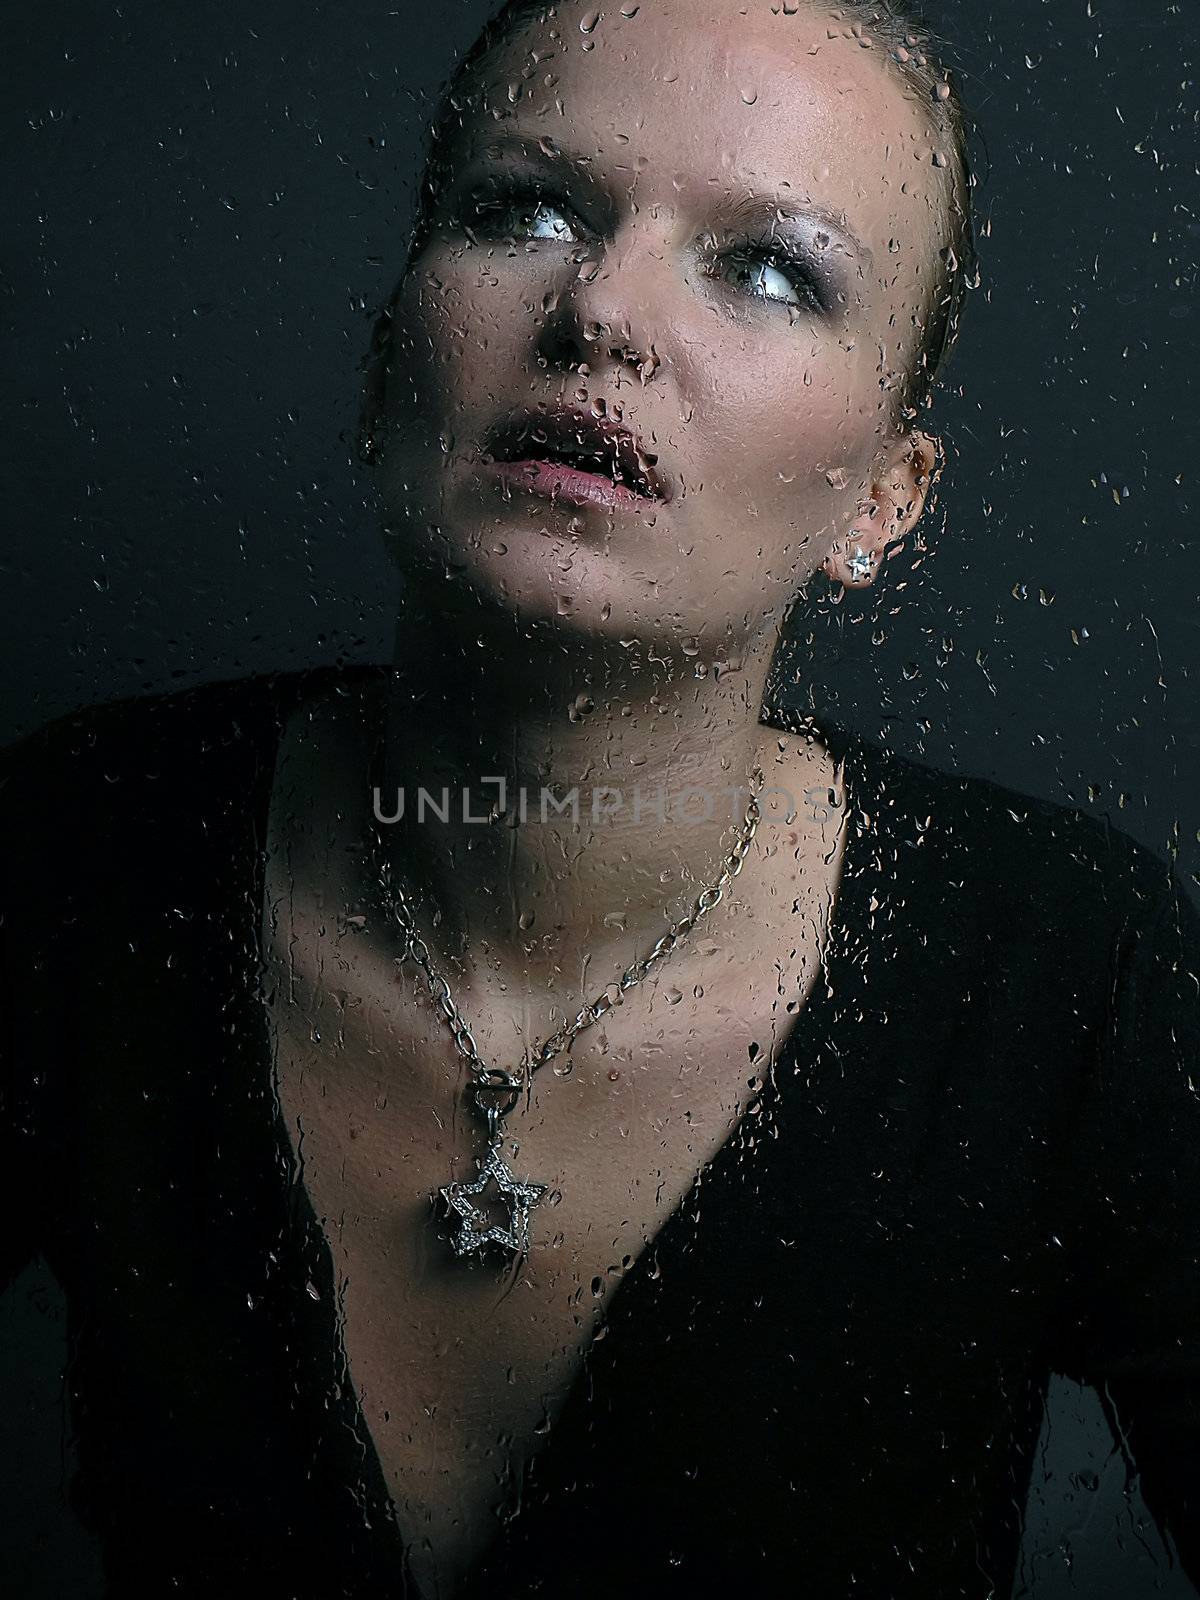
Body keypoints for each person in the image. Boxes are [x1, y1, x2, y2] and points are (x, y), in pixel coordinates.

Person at [2, 1, 1198, 1596]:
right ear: (386, 362)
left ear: (882, 501)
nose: (601, 310)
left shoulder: (1073, 975)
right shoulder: (80, 850)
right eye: (528, 208)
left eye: (771, 266)